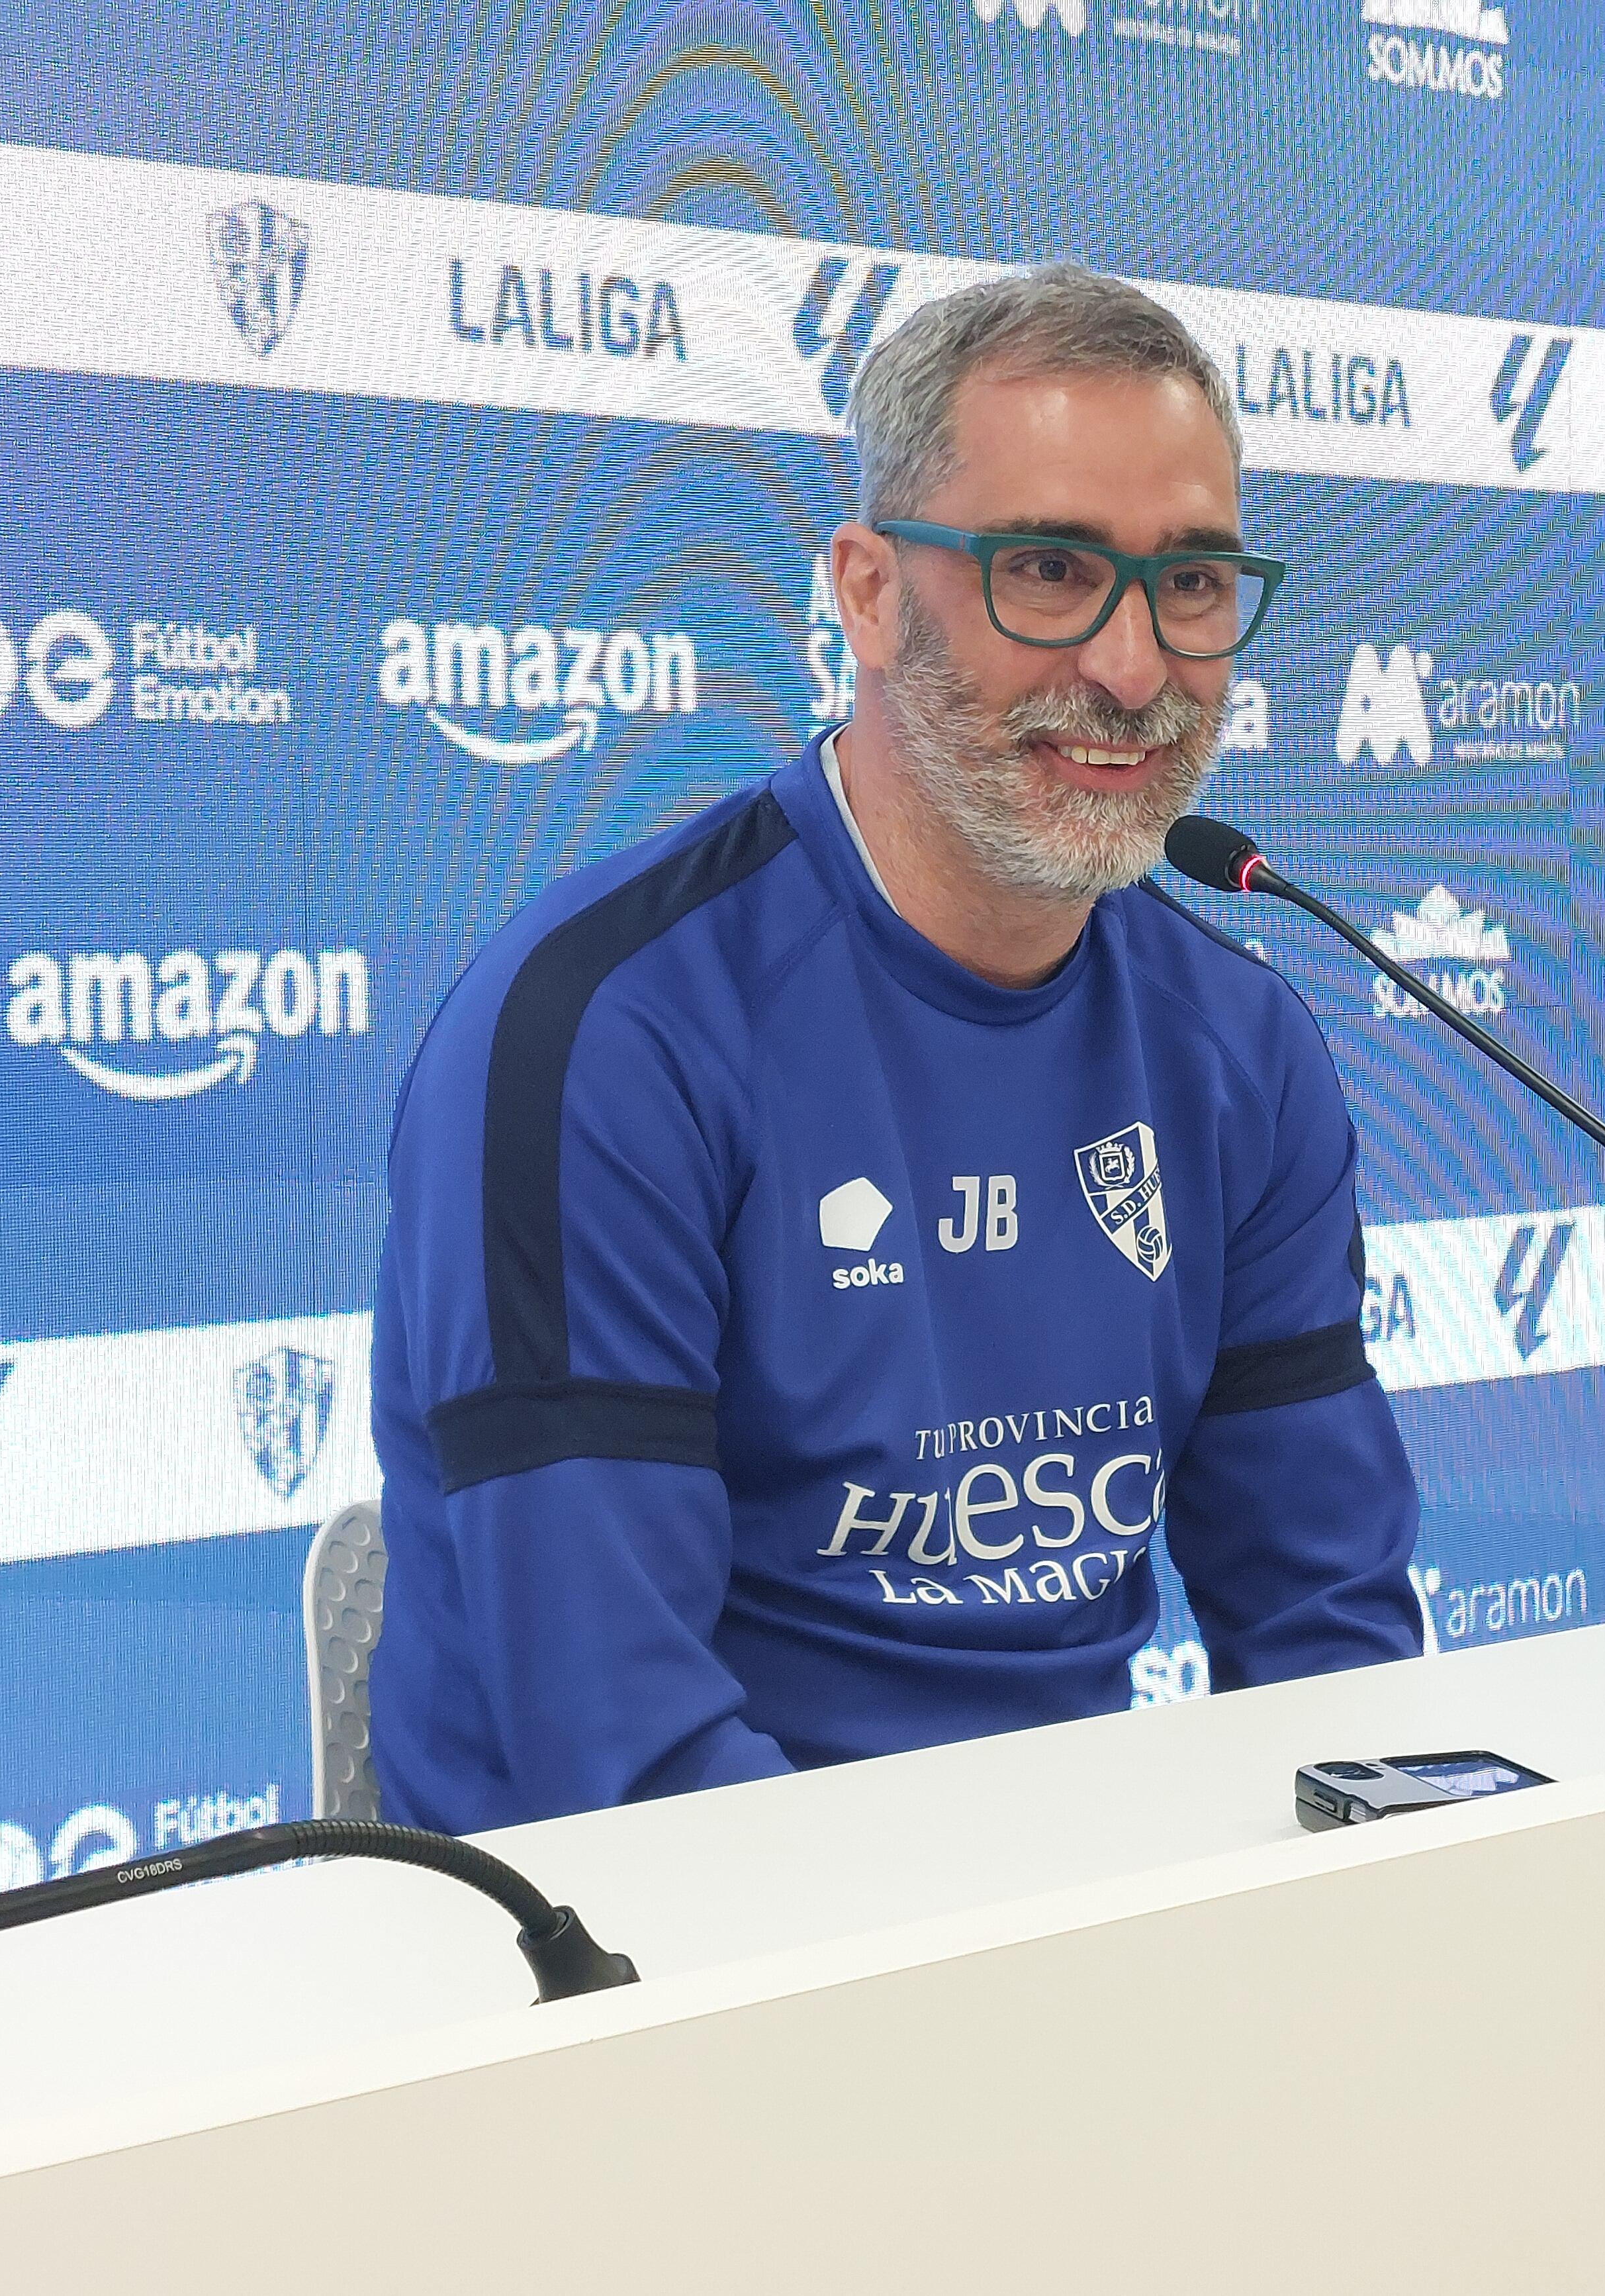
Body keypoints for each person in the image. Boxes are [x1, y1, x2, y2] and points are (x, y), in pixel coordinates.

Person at [369, 263, 1423, 1829]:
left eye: (1192, 585)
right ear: (868, 592)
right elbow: (628, 1759)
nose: (1133, 671)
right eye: (1050, 573)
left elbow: (1327, 1636)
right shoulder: (608, 1038)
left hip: (1056, 1936)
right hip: (628, 1984)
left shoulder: (1238, 1045)